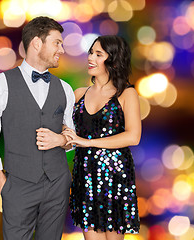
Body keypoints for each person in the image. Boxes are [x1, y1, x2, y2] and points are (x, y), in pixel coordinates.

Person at [0, 16, 75, 240]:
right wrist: (3, 185)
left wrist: (61, 140)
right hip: (18, 185)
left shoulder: (65, 88)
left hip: (57, 183)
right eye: (57, 43)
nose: (62, 49)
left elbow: (72, 136)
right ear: (36, 43)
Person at [62, 35, 141, 240]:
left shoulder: (126, 93)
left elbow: (133, 136)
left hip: (115, 176)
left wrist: (87, 143)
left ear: (113, 60)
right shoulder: (78, 93)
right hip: (85, 175)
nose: (91, 58)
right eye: (90, 52)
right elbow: (67, 130)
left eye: (98, 54)